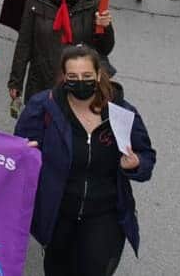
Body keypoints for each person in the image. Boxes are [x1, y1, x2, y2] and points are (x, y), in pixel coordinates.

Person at [15, 45, 156, 276]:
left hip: (104, 215)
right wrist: (26, 154)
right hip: (59, 215)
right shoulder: (43, 107)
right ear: (63, 77)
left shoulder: (120, 112)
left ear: (98, 75)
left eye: (87, 76)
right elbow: (18, 151)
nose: (80, 82)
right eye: (73, 77)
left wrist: (136, 164)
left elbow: (147, 156)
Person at [10, 0, 114, 103]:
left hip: (79, 87)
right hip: (42, 83)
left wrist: (105, 27)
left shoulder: (90, 1)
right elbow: (24, 43)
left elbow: (105, 48)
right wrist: (16, 82)